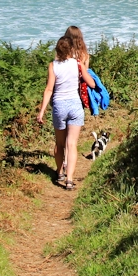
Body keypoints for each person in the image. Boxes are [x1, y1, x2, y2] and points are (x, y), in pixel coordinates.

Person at [37, 35, 95, 190]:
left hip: (59, 106)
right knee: (72, 144)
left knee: (60, 144)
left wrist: (41, 112)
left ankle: (59, 172)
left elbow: (49, 89)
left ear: (57, 49)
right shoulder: (77, 64)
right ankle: (69, 180)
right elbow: (91, 83)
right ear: (71, 49)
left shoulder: (53, 65)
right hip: (75, 106)